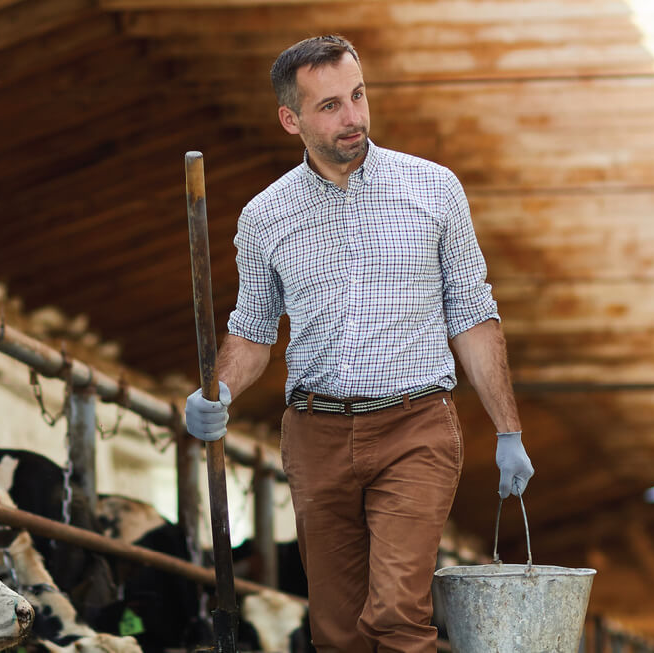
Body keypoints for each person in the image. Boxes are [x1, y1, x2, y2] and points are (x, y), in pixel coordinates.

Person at [183, 35, 534, 651]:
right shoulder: (266, 217)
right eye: (330, 106)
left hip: (416, 426)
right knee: (336, 632)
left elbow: (473, 316)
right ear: (291, 119)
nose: (353, 117)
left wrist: (508, 430)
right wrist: (218, 392)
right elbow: (253, 331)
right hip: (316, 436)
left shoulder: (434, 190)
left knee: (398, 614)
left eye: (358, 95)